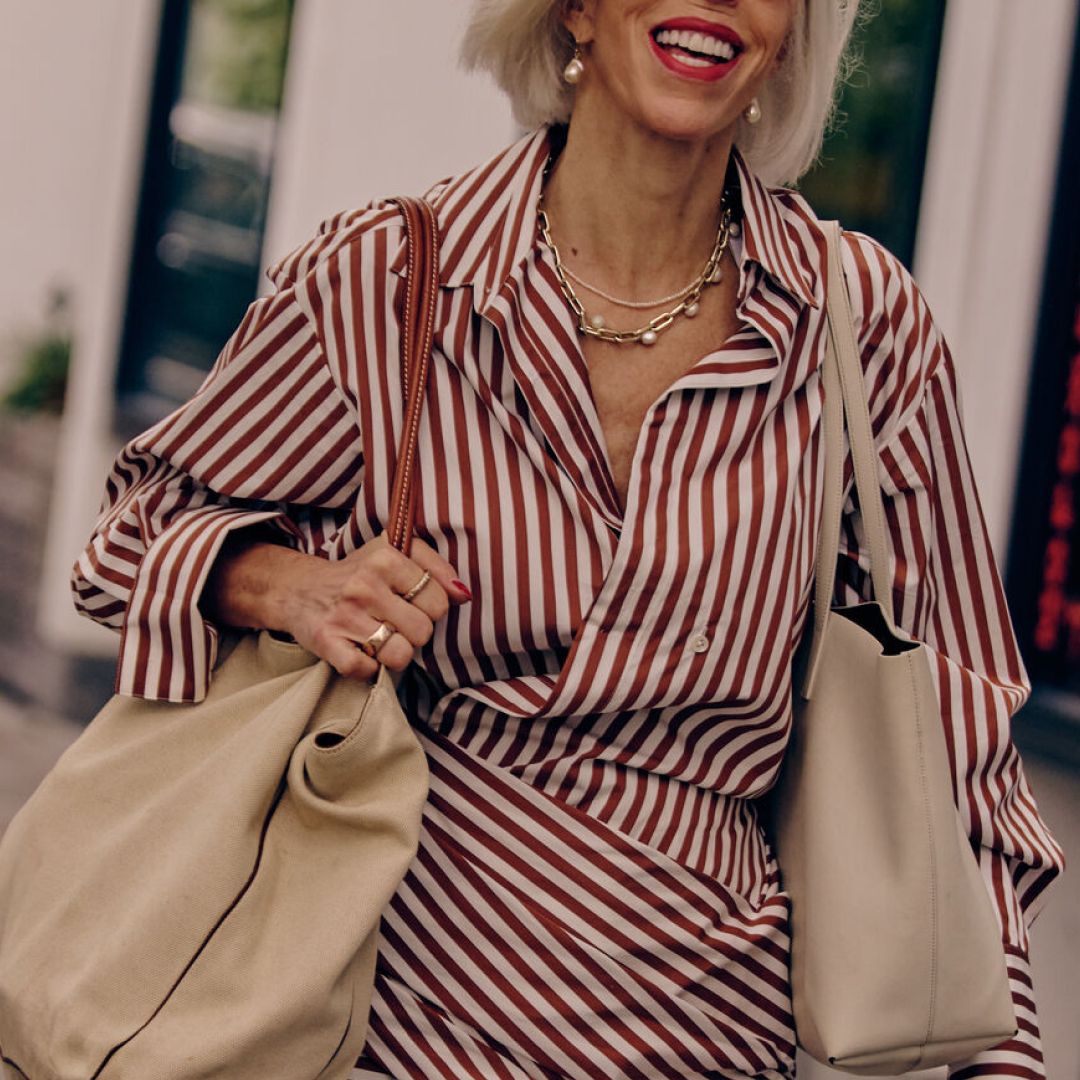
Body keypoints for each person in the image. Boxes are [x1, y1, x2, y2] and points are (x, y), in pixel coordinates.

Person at [74, 0, 1064, 1076]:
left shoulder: (862, 326)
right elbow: (133, 537)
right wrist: (290, 587)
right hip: (375, 1003)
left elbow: (959, 727)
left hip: (705, 1027)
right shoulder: (391, 278)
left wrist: (1000, 1051)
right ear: (575, 8)